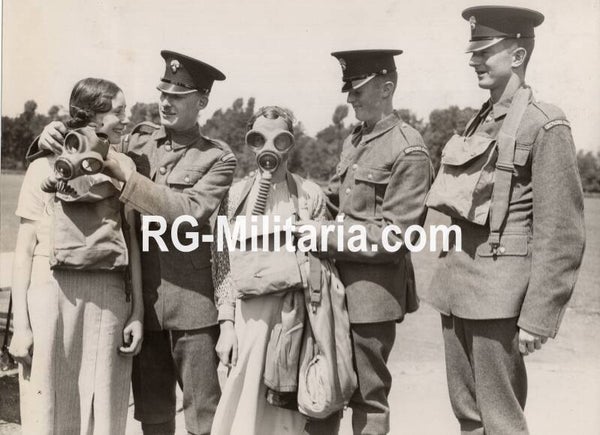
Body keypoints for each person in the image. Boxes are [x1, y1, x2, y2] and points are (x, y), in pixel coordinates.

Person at [33, 51, 237, 435]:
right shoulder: (137, 140)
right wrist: (48, 136)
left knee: (203, 419)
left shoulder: (218, 158)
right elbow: (88, 141)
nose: (166, 101)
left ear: (202, 101)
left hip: (194, 309)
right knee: (153, 416)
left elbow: (190, 211)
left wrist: (130, 180)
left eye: (178, 95)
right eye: (163, 92)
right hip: (143, 306)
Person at [425, 6, 586, 434]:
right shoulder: (481, 119)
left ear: (517, 56)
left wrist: (538, 316)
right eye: (472, 49)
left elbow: (562, 234)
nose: (473, 58)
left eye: (484, 49)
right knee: (469, 417)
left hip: (499, 296)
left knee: (501, 422)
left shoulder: (545, 125)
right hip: (458, 288)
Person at [296, 50, 433, 434]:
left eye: (358, 89)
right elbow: (340, 201)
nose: (350, 99)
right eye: (349, 90)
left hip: (371, 296)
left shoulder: (409, 148)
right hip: (333, 288)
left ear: (387, 88)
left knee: (366, 399)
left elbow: (395, 235)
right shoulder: (356, 139)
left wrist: (321, 235)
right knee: (322, 386)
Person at [9, 77, 143, 435]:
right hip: (50, 297)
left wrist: (138, 312)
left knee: (104, 405)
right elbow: (23, 252)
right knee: (48, 404)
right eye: (119, 112)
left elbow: (132, 246)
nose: (125, 119)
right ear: (95, 118)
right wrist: (20, 326)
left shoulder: (124, 169)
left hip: (109, 302)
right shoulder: (42, 168)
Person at [211, 106, 344, 435]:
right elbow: (223, 264)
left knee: (287, 418)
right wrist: (226, 325)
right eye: (259, 138)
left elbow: (323, 264)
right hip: (248, 321)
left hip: (293, 321)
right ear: (250, 144)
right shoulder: (235, 196)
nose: (269, 148)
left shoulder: (310, 195)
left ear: (291, 144)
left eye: (279, 139)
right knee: (243, 413)